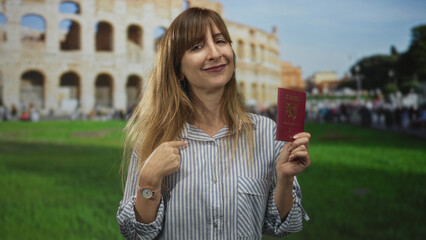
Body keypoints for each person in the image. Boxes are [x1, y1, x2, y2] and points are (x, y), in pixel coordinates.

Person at [117, 7, 311, 239]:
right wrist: (148, 182)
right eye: (197, 46)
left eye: (220, 41)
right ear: (178, 70)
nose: (215, 53)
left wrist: (285, 178)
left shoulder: (266, 133)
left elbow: (283, 226)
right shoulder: (153, 138)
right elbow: (134, 234)